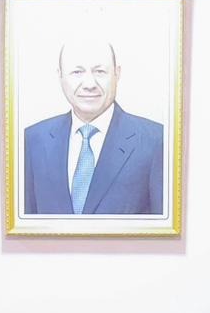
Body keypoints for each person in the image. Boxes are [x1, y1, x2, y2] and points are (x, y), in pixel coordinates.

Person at [21, 40, 166, 217]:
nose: (89, 84)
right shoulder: (32, 140)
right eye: (77, 72)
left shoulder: (156, 141)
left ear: (117, 74)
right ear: (60, 76)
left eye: (100, 71)